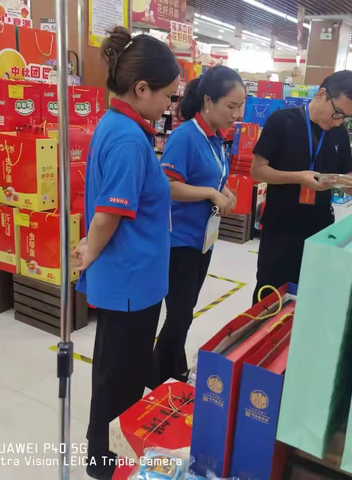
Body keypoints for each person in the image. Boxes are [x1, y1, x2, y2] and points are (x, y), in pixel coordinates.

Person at [72, 26, 181, 480]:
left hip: (132, 281)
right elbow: (107, 216)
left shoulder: (119, 125)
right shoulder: (129, 141)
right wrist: (87, 252)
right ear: (141, 89)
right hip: (130, 283)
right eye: (168, 96)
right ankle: (104, 464)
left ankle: (109, 453)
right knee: (119, 379)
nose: (170, 105)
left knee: (117, 369)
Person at [150, 66, 245, 387]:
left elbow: (214, 177)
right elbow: (168, 184)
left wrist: (225, 191)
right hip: (179, 241)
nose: (237, 114)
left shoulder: (216, 138)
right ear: (208, 101)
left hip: (202, 240)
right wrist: (209, 192)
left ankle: (168, 367)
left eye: (240, 106)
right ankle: (160, 371)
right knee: (180, 313)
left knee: (185, 311)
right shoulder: (185, 136)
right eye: (231, 106)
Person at [251, 70, 352, 302]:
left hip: (320, 230)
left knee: (309, 297)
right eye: (337, 113)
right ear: (322, 94)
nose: (338, 121)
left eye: (345, 117)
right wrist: (298, 177)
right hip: (280, 227)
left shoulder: (339, 133)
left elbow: (343, 175)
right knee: (269, 296)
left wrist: (350, 186)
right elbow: (257, 170)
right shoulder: (281, 122)